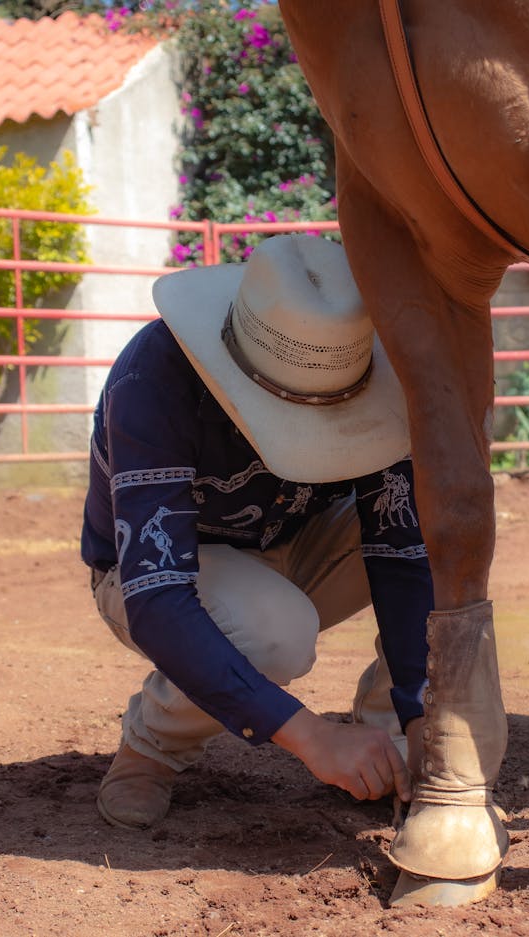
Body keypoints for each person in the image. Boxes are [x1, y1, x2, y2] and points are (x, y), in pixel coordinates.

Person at [81, 234, 433, 830]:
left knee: (443, 528)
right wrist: (311, 737)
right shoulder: (153, 379)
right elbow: (159, 600)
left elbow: (403, 557)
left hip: (298, 541)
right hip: (155, 573)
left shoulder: (367, 368)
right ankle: (152, 746)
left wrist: (420, 714)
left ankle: (392, 741)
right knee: (274, 632)